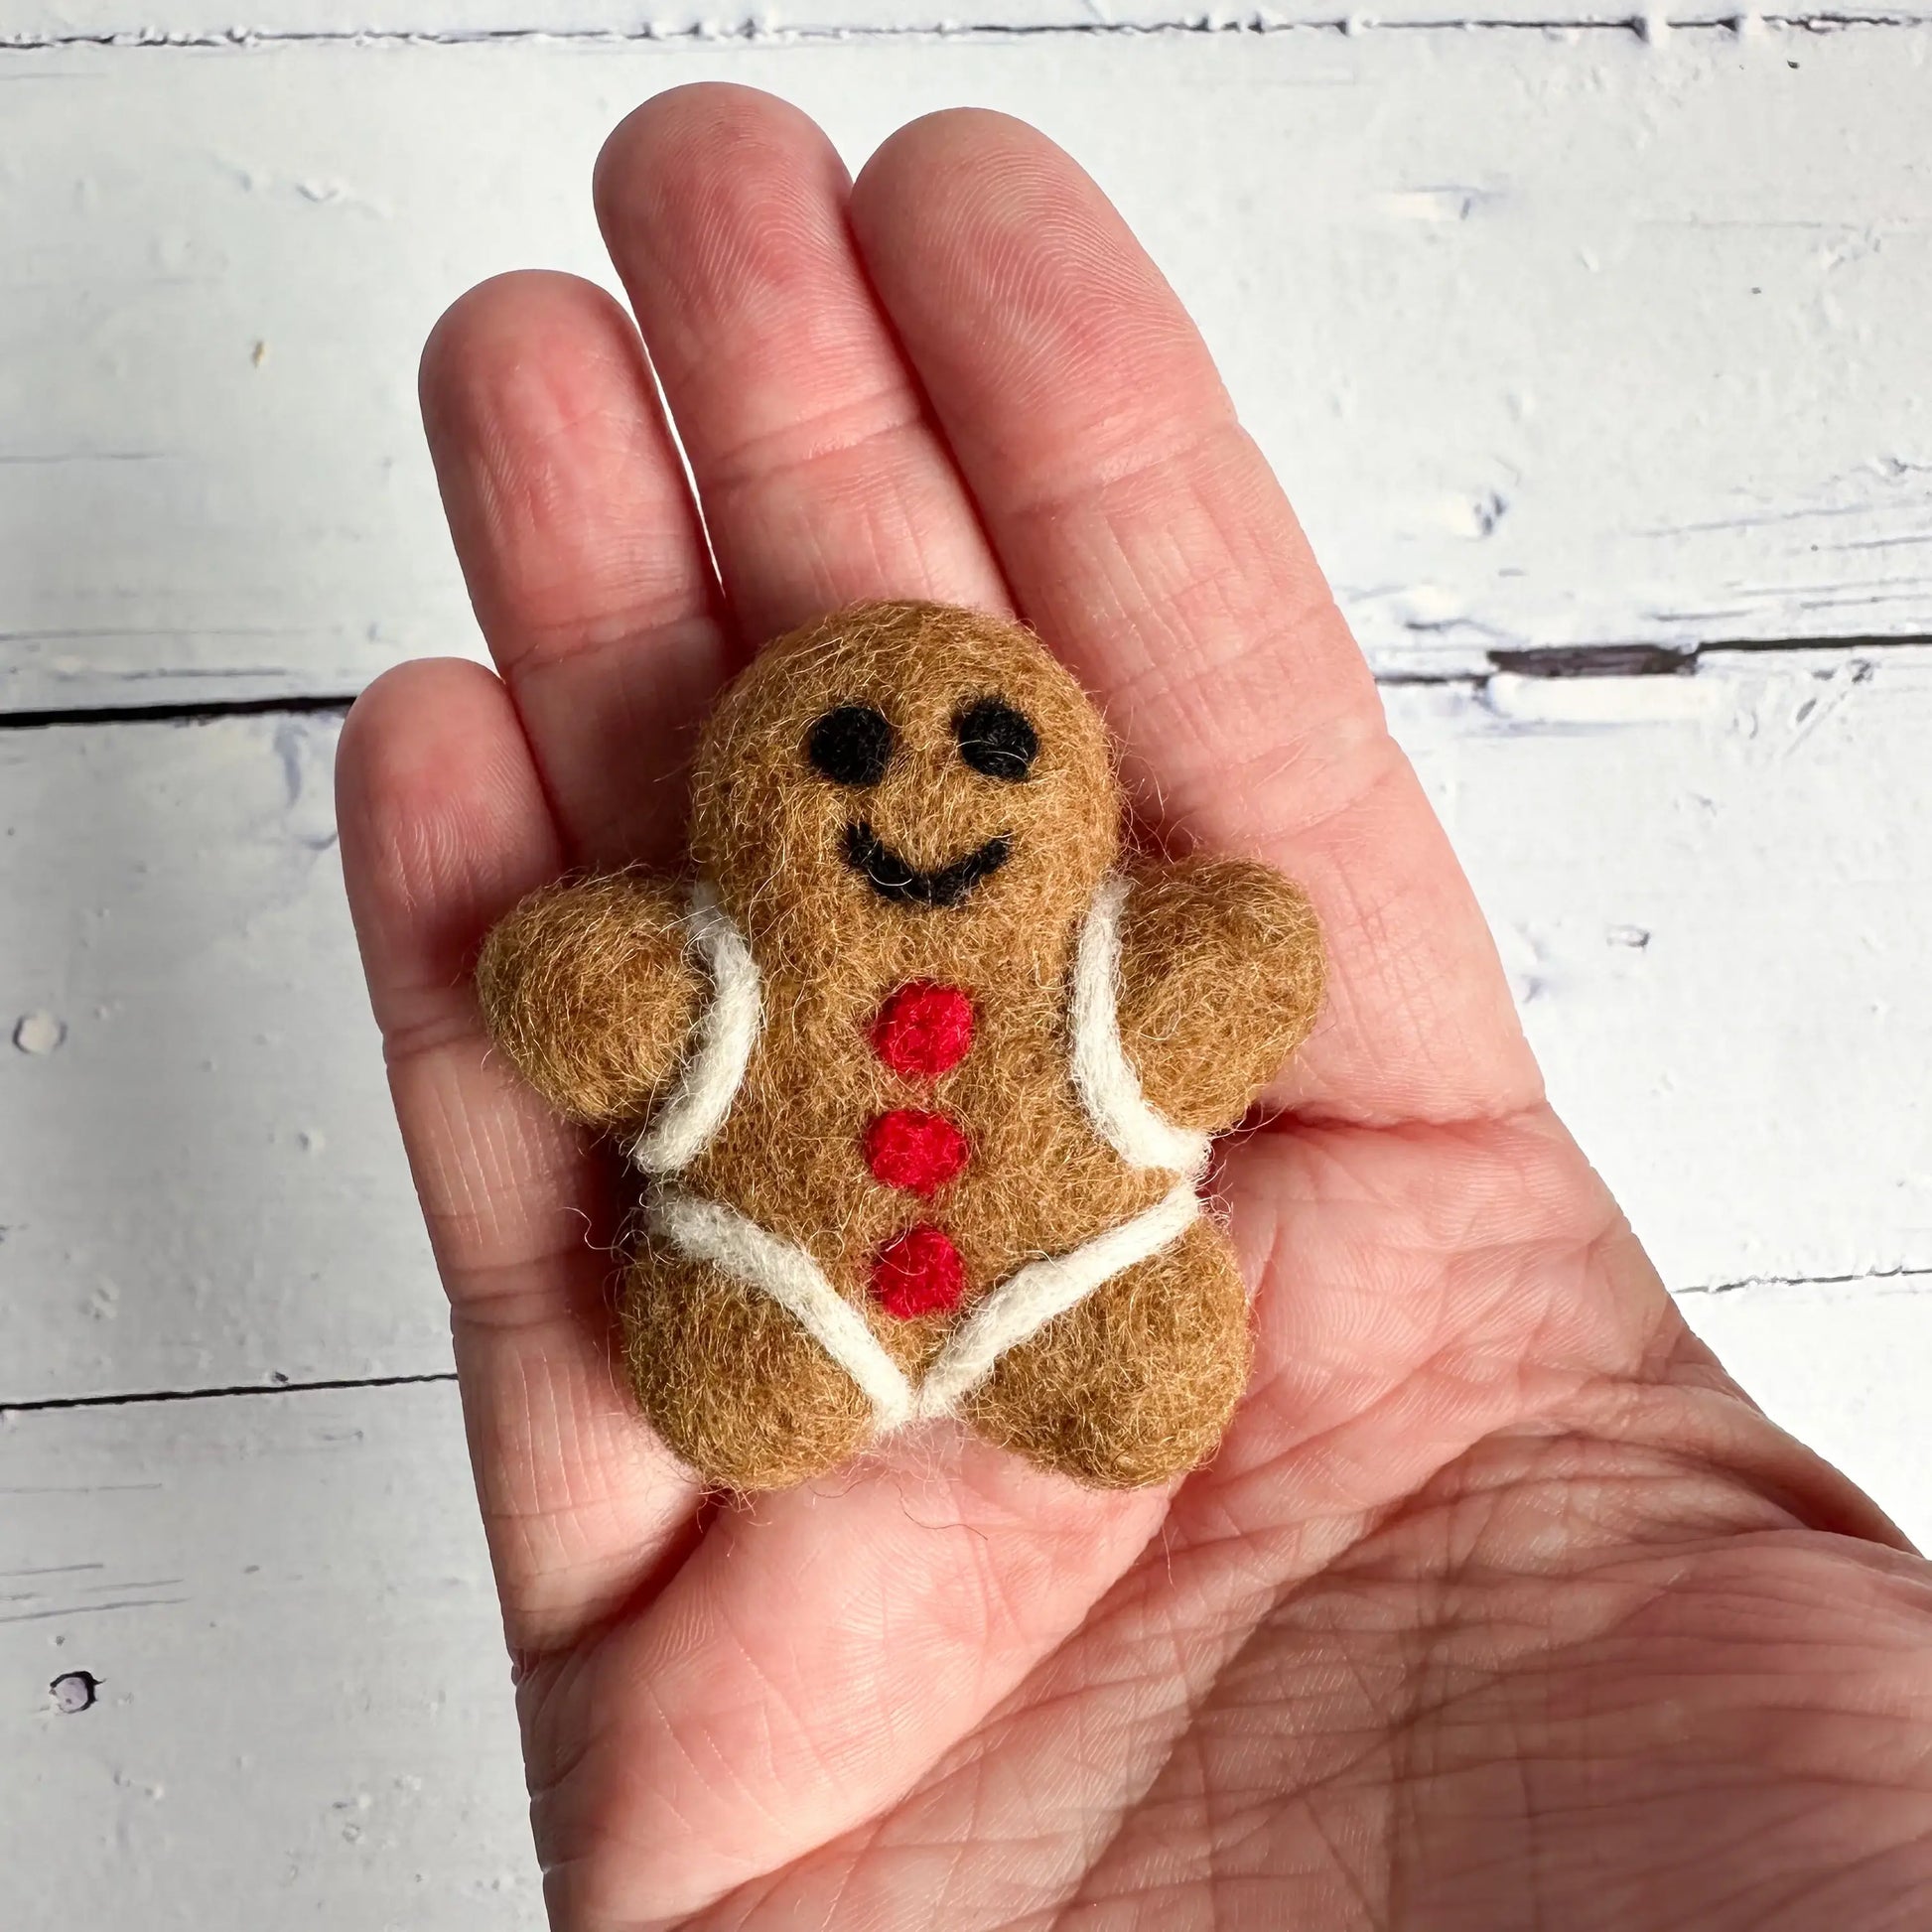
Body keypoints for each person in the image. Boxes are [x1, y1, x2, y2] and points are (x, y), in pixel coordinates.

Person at [335, 84, 1932, 1930]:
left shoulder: (1085, 969)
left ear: (1064, 790)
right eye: (851, 755)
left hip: (1060, 1287)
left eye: (983, 755)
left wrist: (1212, 966)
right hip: (788, 1302)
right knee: (736, 1371)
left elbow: (1222, 962)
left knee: (1137, 1358)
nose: (914, 805)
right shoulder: (730, 962)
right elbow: (591, 993)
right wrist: (596, 977)